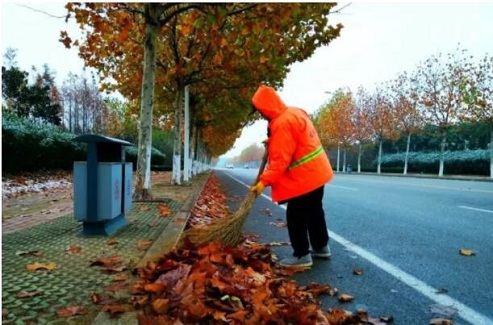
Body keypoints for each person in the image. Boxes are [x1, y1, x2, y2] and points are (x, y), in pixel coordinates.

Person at [249, 84, 334, 268]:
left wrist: (263, 182)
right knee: (314, 211)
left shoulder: (281, 124)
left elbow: (280, 162)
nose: (260, 115)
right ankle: (321, 247)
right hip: (318, 173)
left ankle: (302, 255)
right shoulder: (295, 112)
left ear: (265, 108)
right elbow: (297, 139)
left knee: (296, 214)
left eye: (260, 112)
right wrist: (273, 141)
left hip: (305, 178)